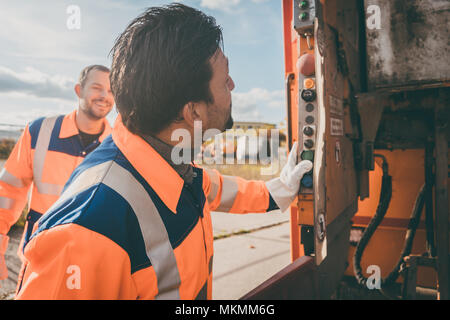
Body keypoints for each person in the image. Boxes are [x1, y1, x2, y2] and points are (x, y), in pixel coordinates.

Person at [15, 4, 312, 300]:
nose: (232, 85)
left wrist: (278, 191)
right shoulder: (84, 235)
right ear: (192, 111)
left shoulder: (168, 163)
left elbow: (213, 187)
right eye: (225, 79)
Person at [0, 65, 114, 287]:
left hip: (94, 268)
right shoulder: (39, 131)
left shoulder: (118, 144)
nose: (104, 96)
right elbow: (8, 191)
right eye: (97, 88)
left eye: (111, 90)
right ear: (79, 90)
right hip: (38, 261)